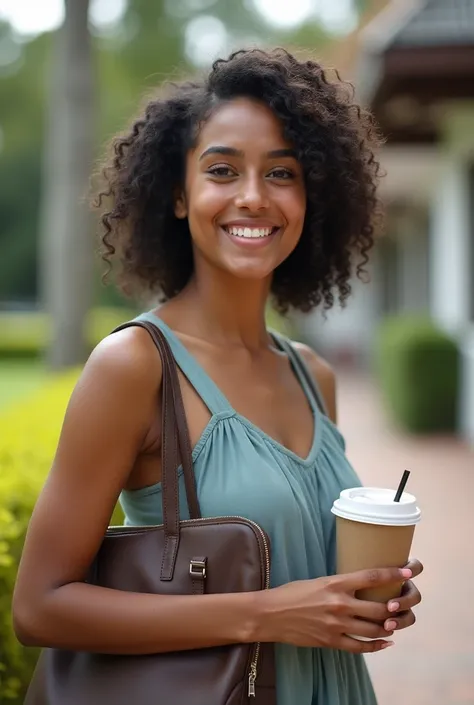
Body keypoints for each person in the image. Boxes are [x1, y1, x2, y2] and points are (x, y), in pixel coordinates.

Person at [13, 48, 423, 704]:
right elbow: (40, 608)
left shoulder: (313, 375)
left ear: (313, 195)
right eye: (223, 170)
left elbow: (308, 577)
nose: (253, 197)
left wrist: (370, 594)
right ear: (179, 195)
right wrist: (268, 612)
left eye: (282, 173)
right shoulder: (135, 366)